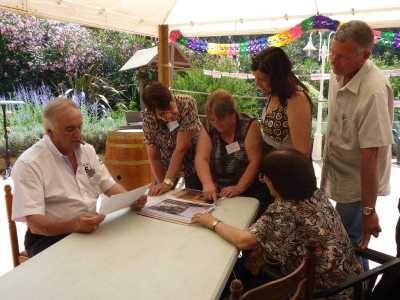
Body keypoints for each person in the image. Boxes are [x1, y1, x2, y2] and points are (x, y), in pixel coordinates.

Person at [192, 149, 362, 299]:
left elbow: (244, 241)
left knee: (227, 275)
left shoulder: (285, 209)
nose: (263, 181)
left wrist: (211, 222)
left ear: (277, 180)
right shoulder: (316, 195)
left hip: (321, 292)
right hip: (351, 285)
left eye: (264, 176)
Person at [11, 98, 146, 257]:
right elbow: (36, 225)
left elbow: (105, 183)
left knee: (134, 250)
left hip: (89, 230)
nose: (78, 134)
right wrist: (74, 225)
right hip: (49, 238)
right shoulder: (30, 164)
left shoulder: (86, 152)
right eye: (69, 129)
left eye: (79, 127)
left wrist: (129, 199)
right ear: (50, 132)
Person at [320, 21, 394, 259]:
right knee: (344, 241)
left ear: (365, 55)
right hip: (338, 172)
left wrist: (368, 210)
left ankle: (357, 292)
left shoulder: (374, 91)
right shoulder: (337, 72)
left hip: (360, 184)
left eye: (342, 56)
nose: (333, 60)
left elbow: (371, 157)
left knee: (350, 245)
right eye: (333, 52)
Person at [195, 89, 270, 208]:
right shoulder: (208, 126)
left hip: (248, 191)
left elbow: (255, 161)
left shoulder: (249, 125)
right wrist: (207, 183)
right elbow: (201, 158)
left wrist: (239, 187)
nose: (216, 124)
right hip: (218, 191)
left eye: (221, 119)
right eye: (213, 119)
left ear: (232, 114)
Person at [142, 81, 202, 196]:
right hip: (168, 162)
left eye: (170, 108)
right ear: (153, 113)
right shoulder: (148, 117)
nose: (169, 116)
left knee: (196, 195)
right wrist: (162, 184)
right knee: (164, 195)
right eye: (162, 114)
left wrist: (167, 182)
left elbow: (181, 148)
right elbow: (154, 156)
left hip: (193, 159)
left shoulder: (187, 104)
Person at [251, 46, 312, 156]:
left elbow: (301, 152)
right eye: (256, 78)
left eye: (262, 79)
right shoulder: (273, 93)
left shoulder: (296, 99)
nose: (257, 84)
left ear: (277, 77)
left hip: (286, 168)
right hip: (271, 164)